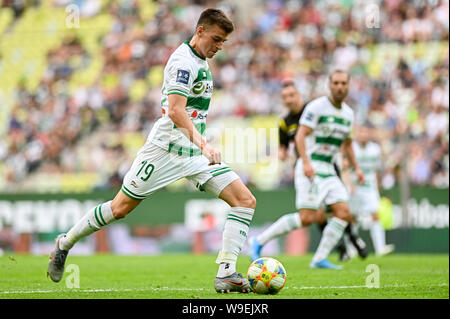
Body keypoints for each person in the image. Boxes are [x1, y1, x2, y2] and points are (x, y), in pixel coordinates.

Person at [47, 8, 256, 294]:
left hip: (193, 156)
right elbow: (175, 111)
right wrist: (205, 144)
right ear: (200, 31)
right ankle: (65, 243)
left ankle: (227, 273)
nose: (220, 46)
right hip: (164, 150)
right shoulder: (183, 63)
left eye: (224, 42)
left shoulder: (201, 61)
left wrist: (199, 146)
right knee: (119, 209)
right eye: (217, 39)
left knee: (245, 200)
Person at [249, 70, 365, 269]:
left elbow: (347, 144)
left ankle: (320, 258)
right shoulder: (316, 107)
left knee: (343, 212)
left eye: (343, 83)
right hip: (310, 167)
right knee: (308, 217)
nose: (339, 87)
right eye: (335, 82)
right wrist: (306, 163)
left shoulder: (348, 113)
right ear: (329, 85)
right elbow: (300, 136)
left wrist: (357, 168)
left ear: (348, 86)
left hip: (329, 168)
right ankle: (259, 240)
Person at [277, 79, 367, 261]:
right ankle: (340, 247)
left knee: (338, 207)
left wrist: (345, 161)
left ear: (299, 95)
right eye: (285, 97)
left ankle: (353, 238)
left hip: (326, 163)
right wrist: (282, 154)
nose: (289, 99)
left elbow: (333, 132)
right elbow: (283, 147)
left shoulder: (313, 109)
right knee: (316, 213)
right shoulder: (284, 123)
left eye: (292, 95)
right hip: (306, 166)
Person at [347, 125, 395, 256]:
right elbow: (345, 167)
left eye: (366, 132)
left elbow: (377, 170)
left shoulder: (375, 149)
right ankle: (352, 248)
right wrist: (349, 184)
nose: (363, 135)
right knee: (353, 218)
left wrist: (378, 186)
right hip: (354, 187)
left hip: (370, 187)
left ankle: (380, 248)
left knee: (375, 214)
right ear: (357, 134)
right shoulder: (351, 148)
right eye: (361, 132)